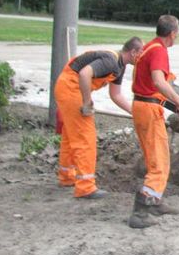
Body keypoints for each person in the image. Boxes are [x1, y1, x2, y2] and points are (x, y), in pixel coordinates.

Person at [54, 37, 144, 198]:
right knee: (85, 138)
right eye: (141, 53)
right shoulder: (111, 61)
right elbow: (84, 73)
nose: (142, 58)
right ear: (133, 52)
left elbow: (115, 95)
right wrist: (87, 102)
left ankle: (66, 177)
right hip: (71, 89)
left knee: (71, 135)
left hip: (67, 88)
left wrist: (135, 112)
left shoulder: (119, 67)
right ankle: (85, 187)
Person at [128, 15, 179, 229]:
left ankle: (155, 201)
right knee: (160, 162)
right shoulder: (158, 51)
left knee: (154, 158)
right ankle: (140, 212)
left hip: (141, 106)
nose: (178, 36)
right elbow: (158, 80)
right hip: (148, 108)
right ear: (172, 34)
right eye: (178, 33)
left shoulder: (149, 47)